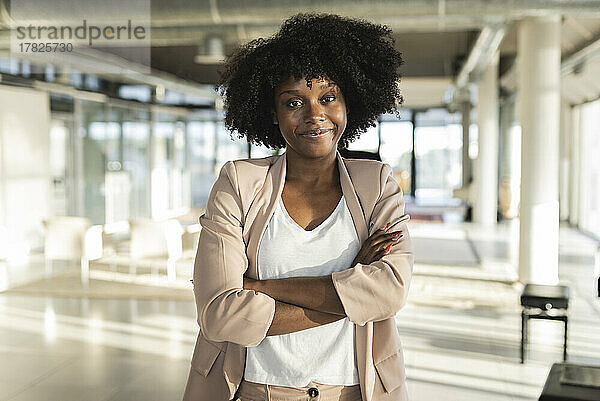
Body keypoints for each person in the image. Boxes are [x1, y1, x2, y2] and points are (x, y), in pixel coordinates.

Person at [182, 13, 413, 401]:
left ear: (347, 103)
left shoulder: (377, 184)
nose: (314, 115)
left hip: (355, 391)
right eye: (294, 102)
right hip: (255, 389)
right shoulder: (239, 183)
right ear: (272, 113)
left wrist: (258, 288)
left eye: (327, 98)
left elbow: (390, 291)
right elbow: (219, 315)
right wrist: (353, 289)